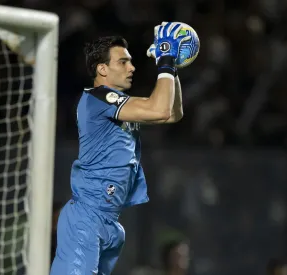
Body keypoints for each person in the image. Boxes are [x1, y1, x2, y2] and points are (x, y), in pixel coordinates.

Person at [50, 22, 190, 275]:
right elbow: (159, 109)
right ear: (102, 68)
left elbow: (172, 113)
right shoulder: (98, 98)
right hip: (86, 219)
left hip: (110, 223)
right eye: (123, 62)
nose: (132, 67)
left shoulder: (120, 105)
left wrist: (172, 69)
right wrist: (165, 60)